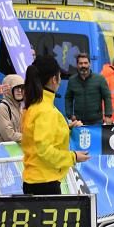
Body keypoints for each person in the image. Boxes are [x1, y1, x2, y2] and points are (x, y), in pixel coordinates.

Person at [20, 55, 89, 195]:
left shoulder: (35, 106)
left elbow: (40, 137)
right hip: (45, 183)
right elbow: (44, 150)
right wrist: (73, 157)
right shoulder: (45, 109)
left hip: (36, 180)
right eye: (59, 77)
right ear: (54, 79)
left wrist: (67, 129)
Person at [64, 53, 113, 125]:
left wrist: (108, 115)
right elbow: (68, 98)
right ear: (77, 65)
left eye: (85, 63)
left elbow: (107, 97)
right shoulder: (72, 81)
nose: (83, 65)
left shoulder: (100, 79)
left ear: (89, 64)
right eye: (80, 63)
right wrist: (70, 114)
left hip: (96, 121)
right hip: (78, 122)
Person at [0, 74, 24, 142]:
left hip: (14, 151)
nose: (20, 90)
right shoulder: (3, 108)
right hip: (2, 151)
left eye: (22, 87)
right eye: (16, 88)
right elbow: (9, 136)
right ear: (9, 90)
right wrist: (30, 138)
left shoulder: (20, 108)